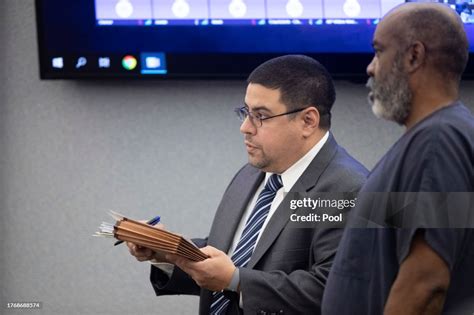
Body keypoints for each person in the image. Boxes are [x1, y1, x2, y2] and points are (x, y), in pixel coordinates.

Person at [127, 55, 368, 314]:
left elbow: (334, 291)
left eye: (260, 116)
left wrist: (236, 280)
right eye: (245, 112)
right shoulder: (253, 173)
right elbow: (231, 253)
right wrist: (169, 253)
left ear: (308, 121)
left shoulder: (352, 189)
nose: (245, 127)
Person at [322, 3, 474, 314]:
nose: (370, 67)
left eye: (379, 52)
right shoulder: (430, 137)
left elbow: (426, 282)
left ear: (413, 56)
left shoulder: (438, 141)